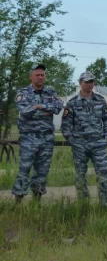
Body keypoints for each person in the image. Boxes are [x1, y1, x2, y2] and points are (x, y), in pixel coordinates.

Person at [12, 64, 64, 202]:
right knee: (24, 170)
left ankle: (37, 200)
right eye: (37, 75)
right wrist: (46, 110)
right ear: (31, 77)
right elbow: (24, 110)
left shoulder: (50, 91)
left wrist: (40, 106)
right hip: (29, 137)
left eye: (42, 75)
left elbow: (59, 107)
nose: (40, 77)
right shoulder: (23, 92)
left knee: (42, 172)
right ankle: (18, 200)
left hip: (46, 138)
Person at [61, 71, 107, 205]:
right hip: (80, 145)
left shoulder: (100, 100)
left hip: (98, 144)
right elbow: (65, 126)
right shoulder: (72, 103)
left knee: (104, 174)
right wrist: (73, 141)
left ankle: (105, 205)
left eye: (92, 82)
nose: (90, 84)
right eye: (87, 82)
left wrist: (106, 137)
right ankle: (84, 204)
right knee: (80, 175)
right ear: (80, 83)